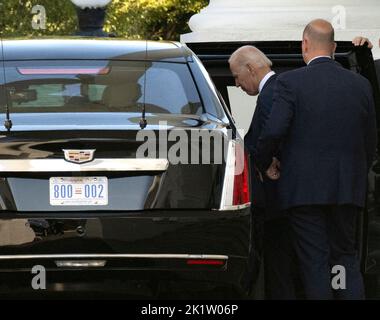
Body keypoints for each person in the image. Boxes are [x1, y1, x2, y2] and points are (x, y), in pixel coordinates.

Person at [254, 19, 377, 299]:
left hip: (304, 193)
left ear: (304, 45)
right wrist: (357, 173)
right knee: (345, 258)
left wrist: (266, 162)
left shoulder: (289, 83)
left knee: (315, 262)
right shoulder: (361, 85)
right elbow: (370, 140)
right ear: (333, 47)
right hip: (347, 190)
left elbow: (273, 131)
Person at [229, 46, 298, 299]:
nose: (237, 84)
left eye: (237, 76)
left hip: (276, 201)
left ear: (250, 69)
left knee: (279, 269)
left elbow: (275, 135)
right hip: (284, 201)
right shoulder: (279, 88)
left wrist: (263, 160)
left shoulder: (272, 93)